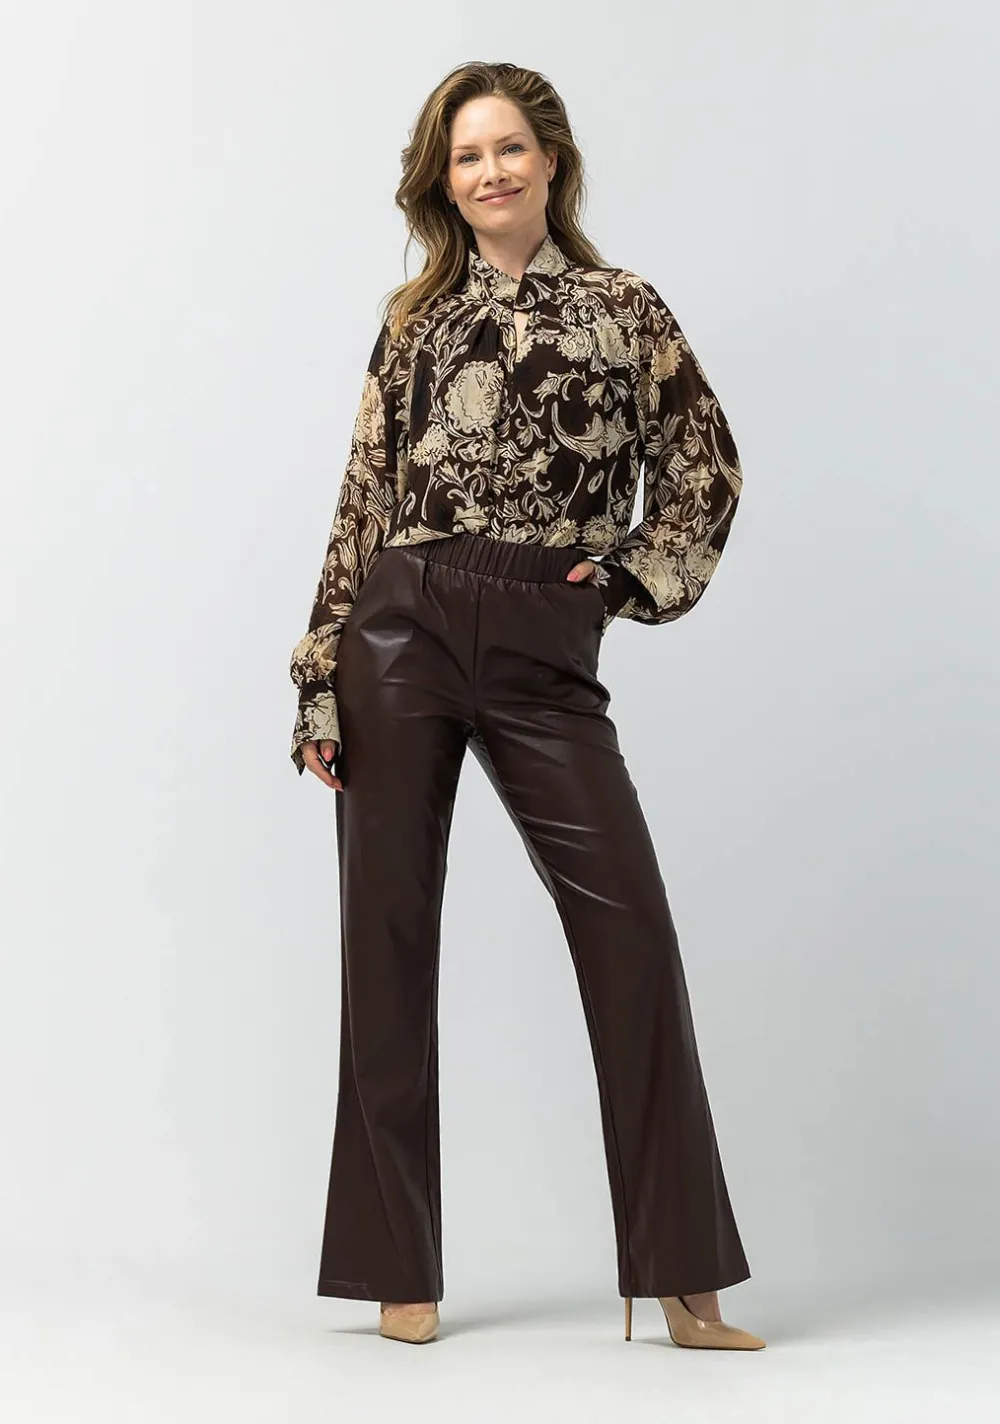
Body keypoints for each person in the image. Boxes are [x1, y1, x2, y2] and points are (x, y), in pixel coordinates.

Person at [288, 60, 765, 1352]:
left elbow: (707, 465)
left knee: (631, 934)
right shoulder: (415, 323)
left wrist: (624, 581)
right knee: (386, 941)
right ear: (443, 185)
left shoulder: (623, 309)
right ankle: (396, 1268)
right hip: (403, 623)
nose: (490, 171)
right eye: (466, 157)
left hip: (544, 642)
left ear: (551, 159)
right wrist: (323, 676)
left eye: (508, 147)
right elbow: (362, 499)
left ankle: (684, 1277)